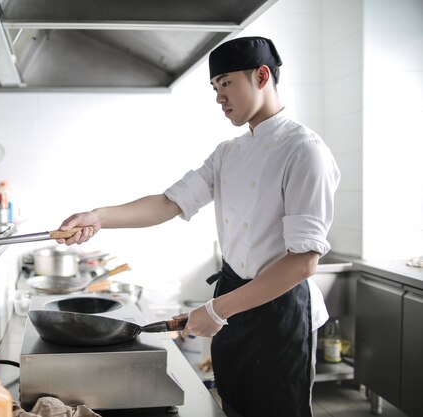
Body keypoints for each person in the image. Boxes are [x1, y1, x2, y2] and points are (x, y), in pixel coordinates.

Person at [56, 36, 340, 417]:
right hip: (234, 297)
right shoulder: (228, 153)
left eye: (226, 83)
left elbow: (303, 263)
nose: (219, 97)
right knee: (234, 405)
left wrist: (218, 310)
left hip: (279, 311)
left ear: (261, 75)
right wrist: (98, 217)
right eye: (214, 87)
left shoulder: (304, 149)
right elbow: (168, 203)